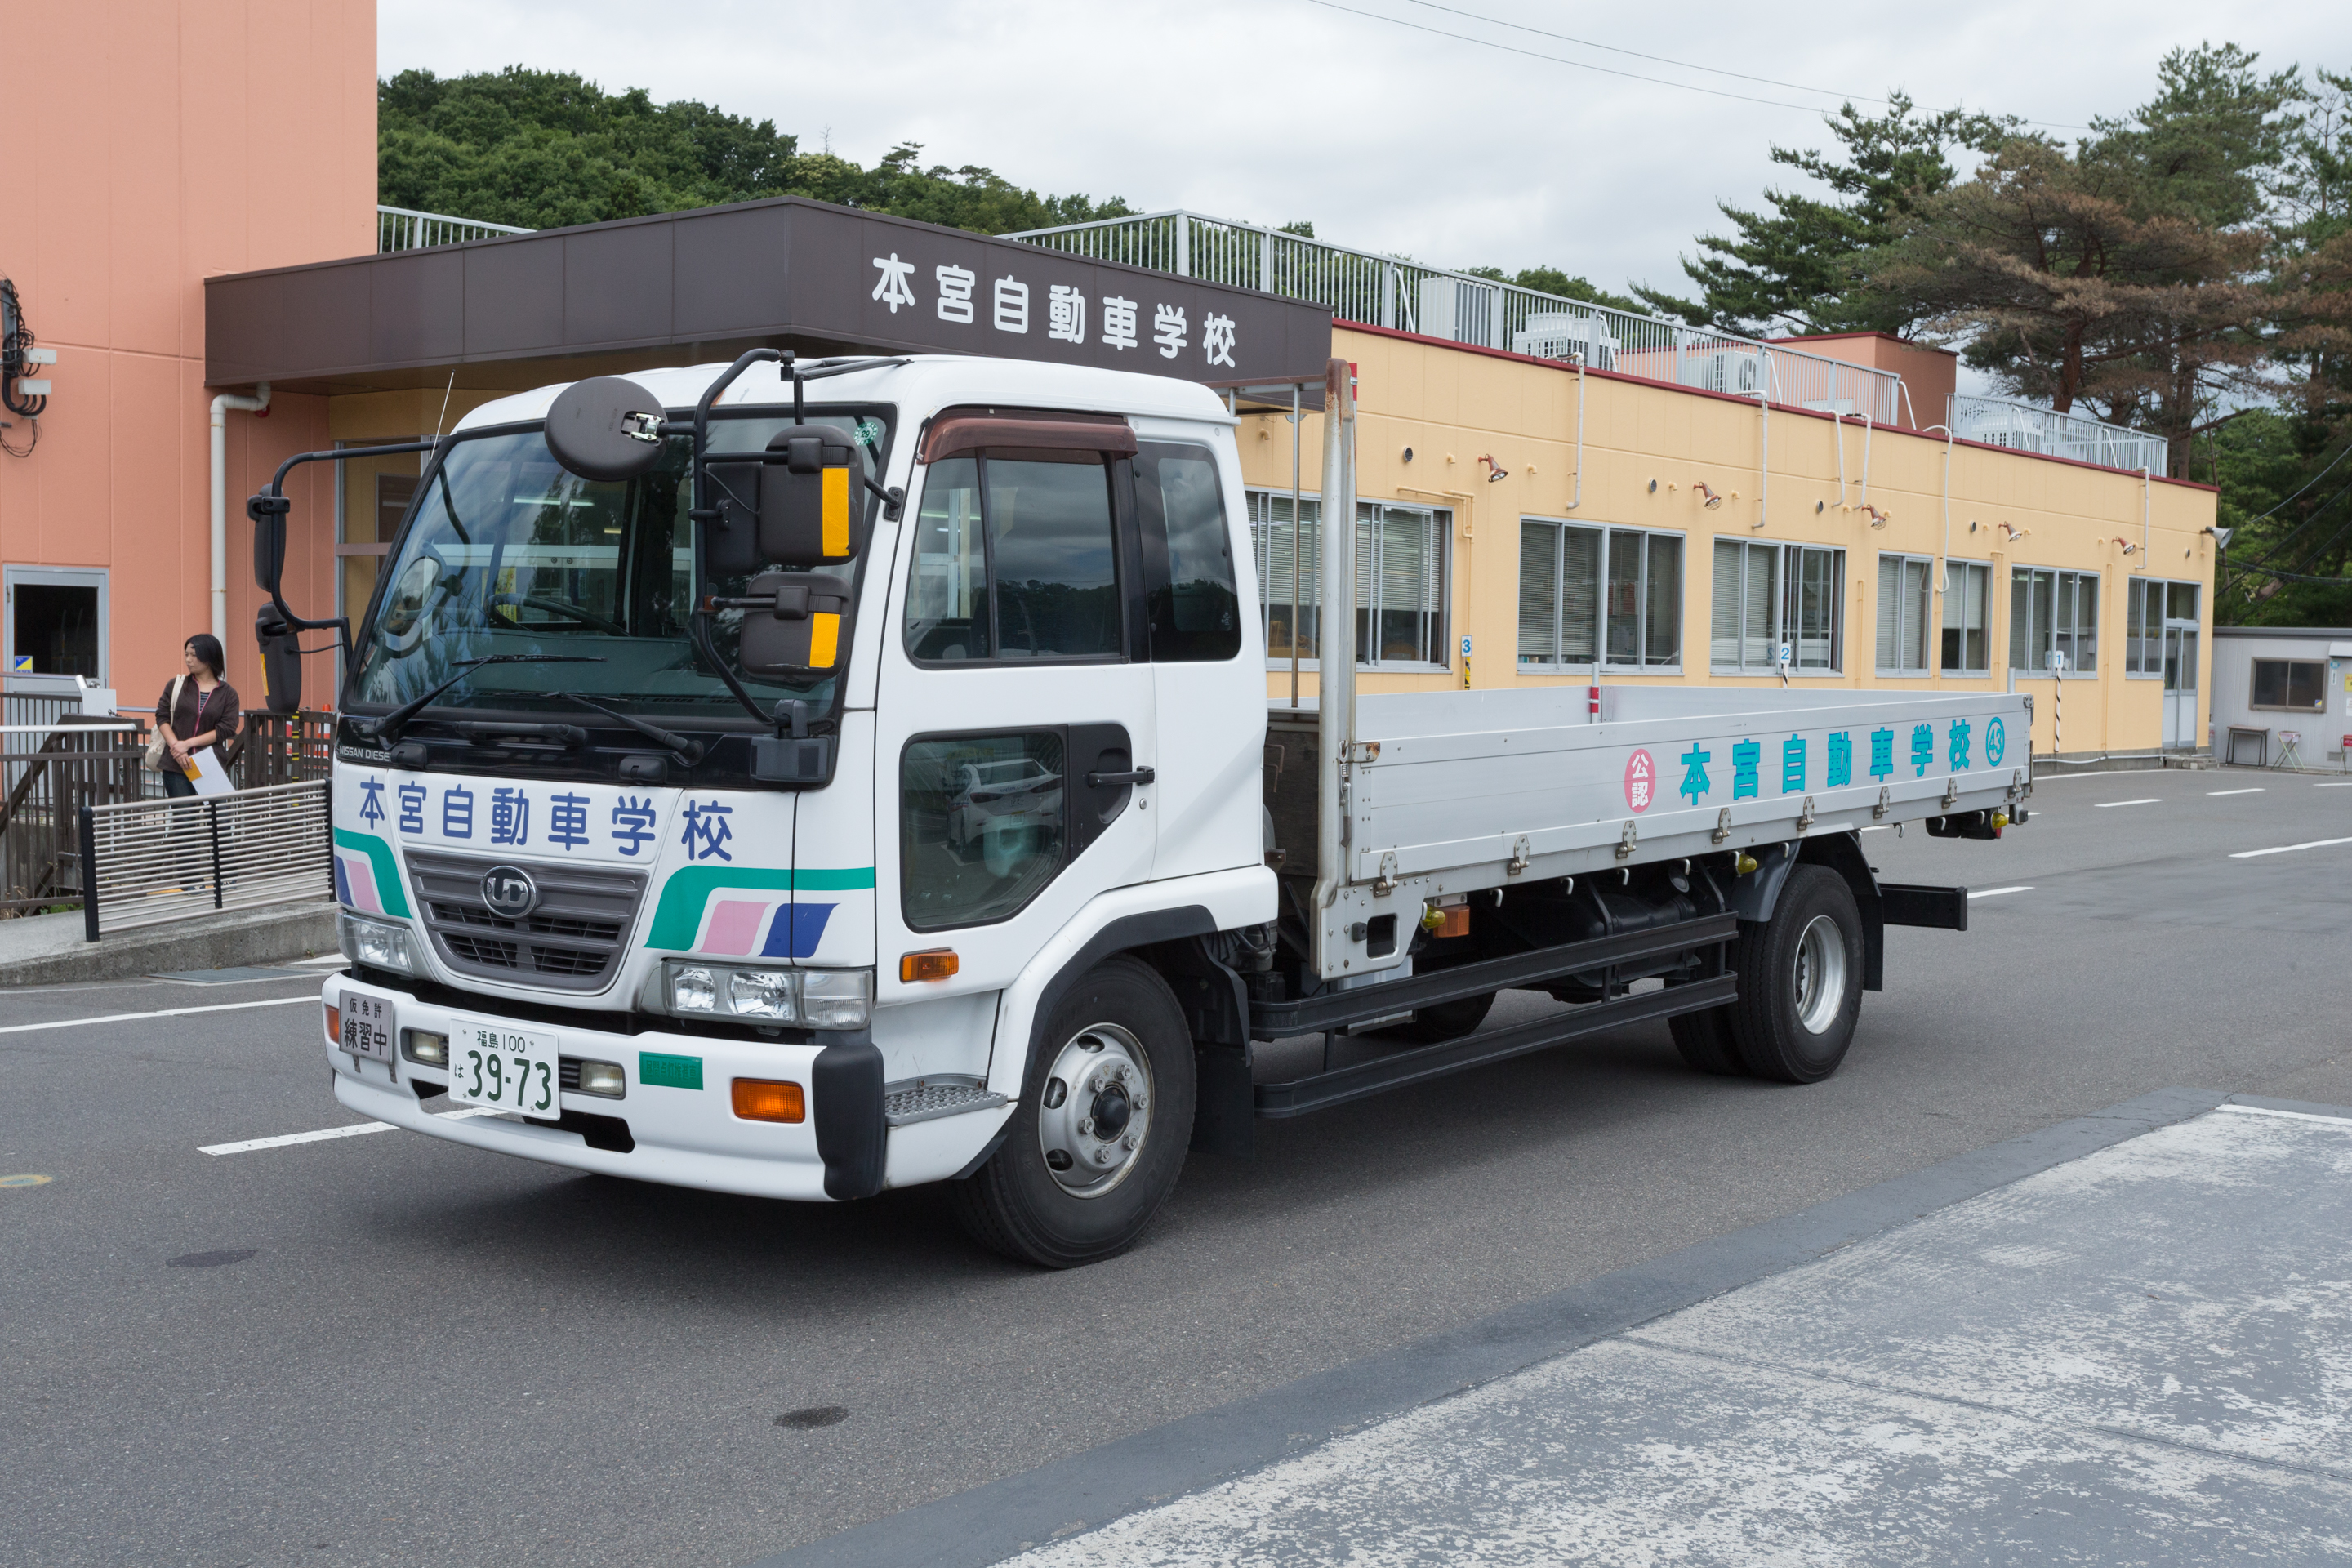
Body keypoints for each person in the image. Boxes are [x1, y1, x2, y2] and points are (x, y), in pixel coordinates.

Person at [154, 634, 241, 797]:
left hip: (209, 764)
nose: (188, 660)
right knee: (185, 819)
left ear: (209, 657)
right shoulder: (177, 685)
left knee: (219, 819)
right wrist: (177, 749)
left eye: (194, 655)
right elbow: (162, 716)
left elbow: (226, 729)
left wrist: (187, 744)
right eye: (186, 654)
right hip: (176, 765)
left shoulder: (228, 694)